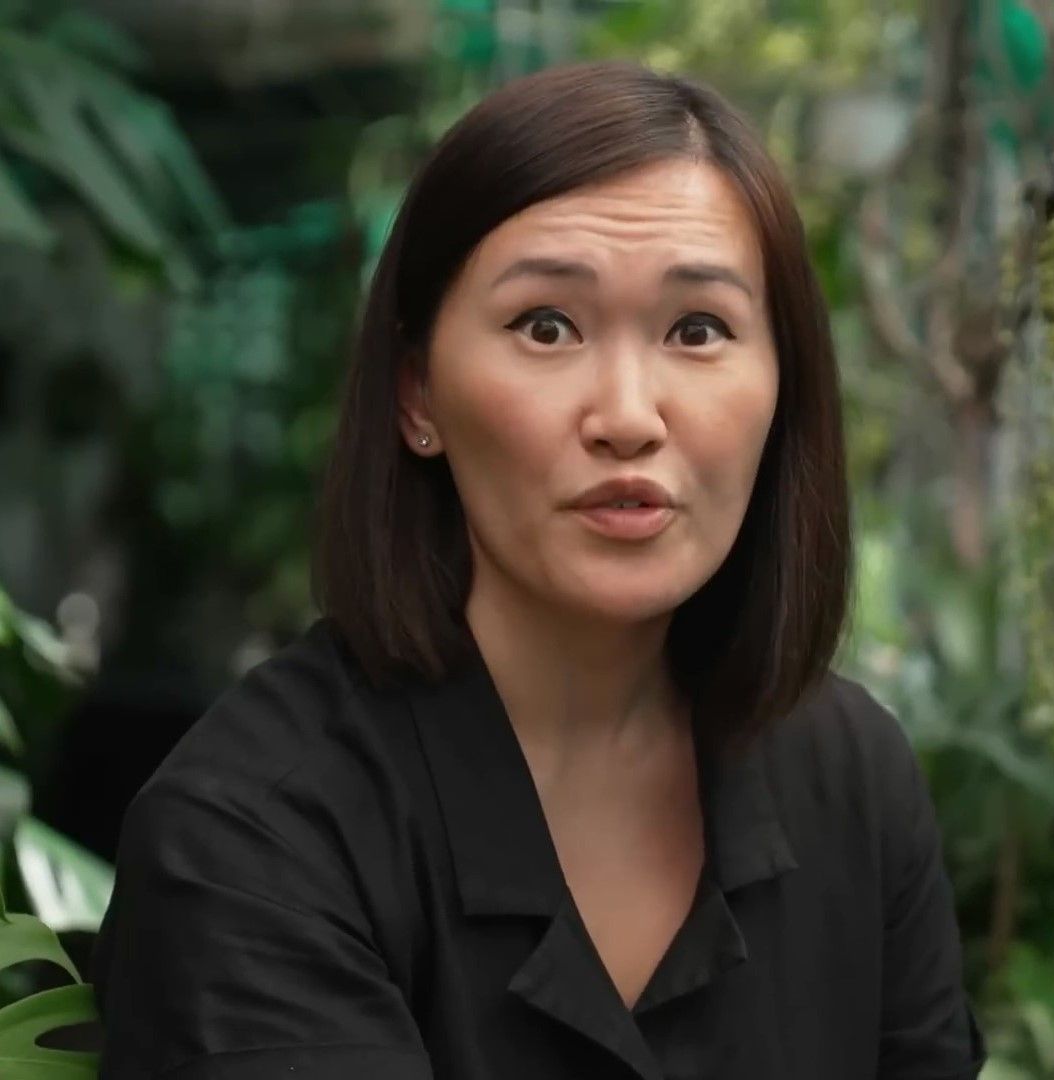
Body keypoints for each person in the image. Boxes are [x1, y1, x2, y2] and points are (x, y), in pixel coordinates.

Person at [91, 60, 987, 1079]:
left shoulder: (850, 776)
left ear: (784, 388)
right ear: (417, 395)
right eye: (545, 327)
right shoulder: (253, 835)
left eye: (696, 330)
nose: (627, 417)